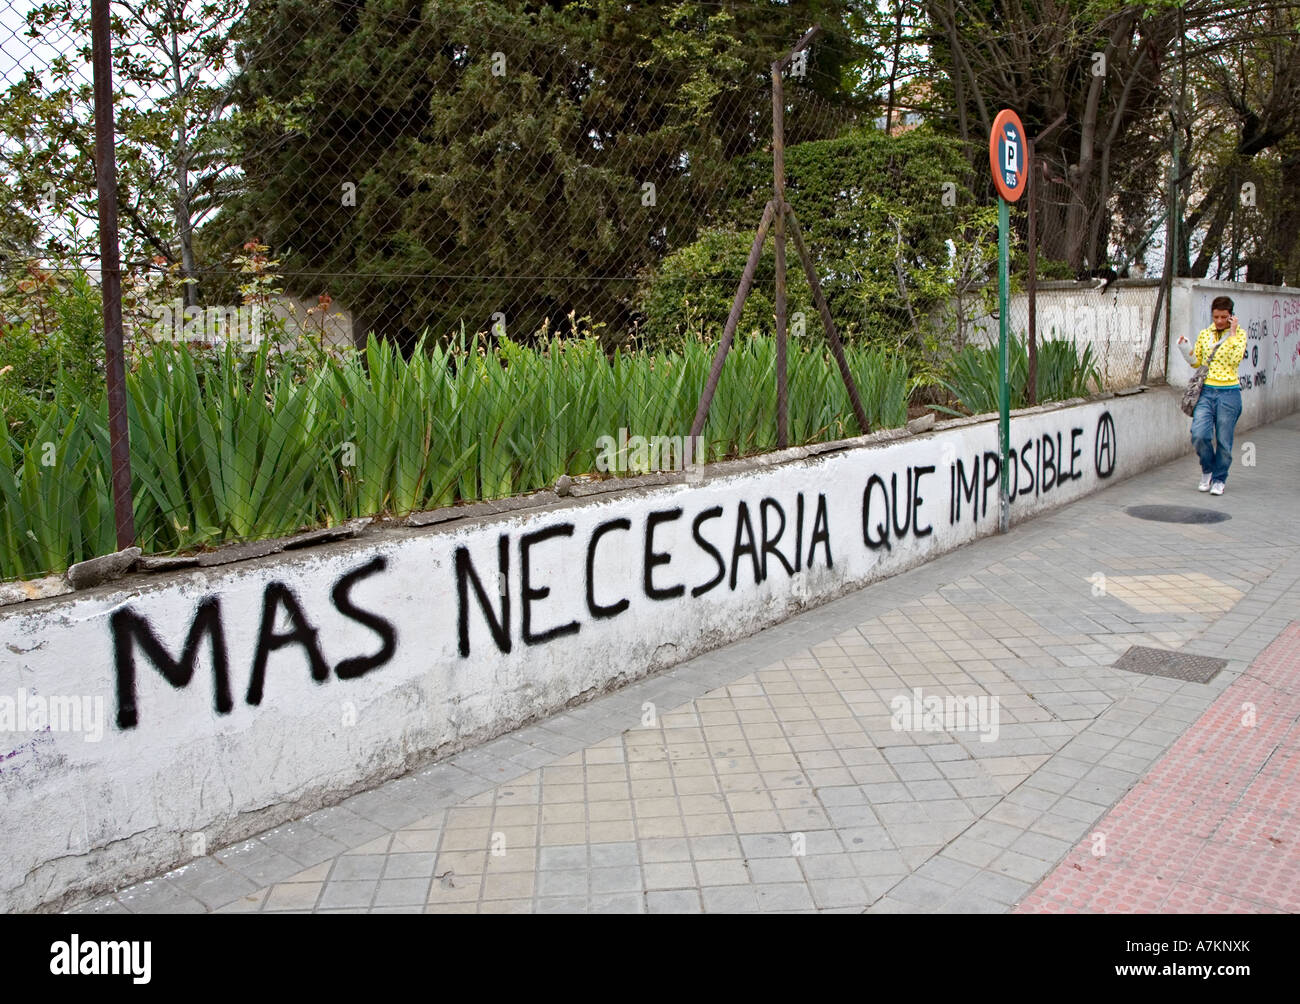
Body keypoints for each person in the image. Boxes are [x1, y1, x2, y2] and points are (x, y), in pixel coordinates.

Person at [1177, 295, 1247, 496]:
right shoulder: (1205, 334)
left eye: (1224, 317)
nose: (1219, 321)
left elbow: (1235, 361)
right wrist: (1185, 348)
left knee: (1224, 441)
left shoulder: (1239, 335)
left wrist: (1232, 332)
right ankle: (1207, 469)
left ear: (1231, 316)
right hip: (1206, 392)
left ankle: (1219, 478)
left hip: (1229, 393)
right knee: (1199, 434)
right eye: (1216, 316)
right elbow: (1197, 362)